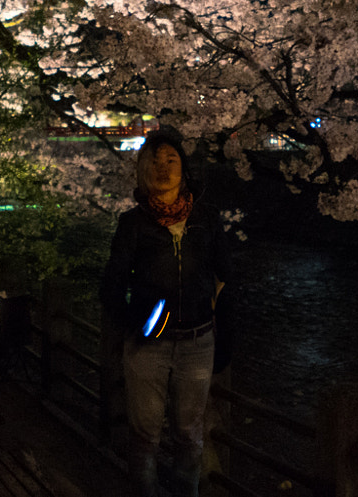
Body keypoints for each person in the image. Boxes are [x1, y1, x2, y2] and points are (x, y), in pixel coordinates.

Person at [101, 127, 229, 497]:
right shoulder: (133, 223)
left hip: (197, 342)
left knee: (189, 434)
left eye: (171, 159)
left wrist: (221, 325)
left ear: (183, 169)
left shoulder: (206, 217)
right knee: (145, 436)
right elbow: (112, 283)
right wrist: (134, 324)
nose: (163, 166)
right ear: (143, 170)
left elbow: (226, 274)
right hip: (148, 345)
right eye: (154, 161)